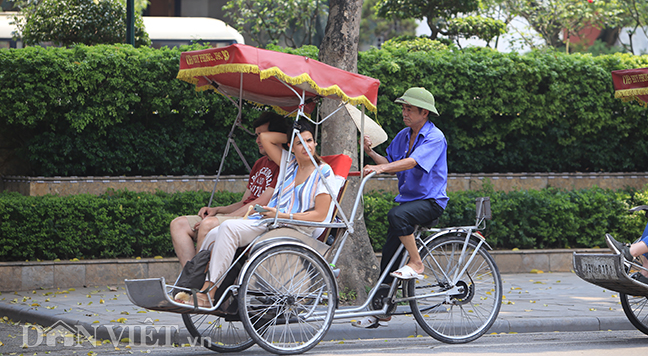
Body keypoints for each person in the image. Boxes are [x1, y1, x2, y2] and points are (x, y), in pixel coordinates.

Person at [175, 120, 336, 308]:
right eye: (300, 143)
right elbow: (265, 137)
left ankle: (208, 293)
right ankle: (198, 287)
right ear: (291, 147)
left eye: (309, 141)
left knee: (227, 227)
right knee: (212, 234)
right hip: (269, 222)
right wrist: (295, 133)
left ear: (315, 143)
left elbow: (320, 215)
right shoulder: (289, 164)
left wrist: (282, 215)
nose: (306, 146)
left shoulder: (323, 171)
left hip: (294, 227)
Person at [353, 87, 449, 329]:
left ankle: (417, 263)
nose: (404, 112)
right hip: (408, 202)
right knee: (388, 257)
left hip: (430, 201)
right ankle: (382, 311)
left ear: (424, 113)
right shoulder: (404, 136)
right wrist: (371, 153)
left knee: (396, 214)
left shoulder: (435, 137)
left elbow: (413, 162)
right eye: (404, 108)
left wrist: (381, 169)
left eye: (409, 109)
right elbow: (391, 164)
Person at [169, 112, 287, 267]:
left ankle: (200, 281)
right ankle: (190, 279)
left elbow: (259, 203)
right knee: (178, 224)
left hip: (256, 219)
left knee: (207, 224)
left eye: (262, 135)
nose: (258, 140)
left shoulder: (285, 165)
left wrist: (222, 219)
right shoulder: (260, 163)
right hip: (241, 215)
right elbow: (245, 201)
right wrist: (218, 210)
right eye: (257, 135)